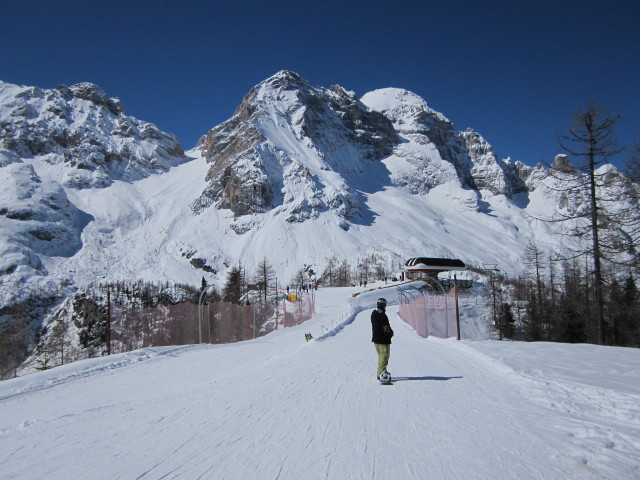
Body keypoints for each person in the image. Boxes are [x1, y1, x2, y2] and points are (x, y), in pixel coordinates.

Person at [371, 297, 393, 379]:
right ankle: (381, 373)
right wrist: (390, 333)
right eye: (385, 304)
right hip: (383, 339)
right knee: (384, 356)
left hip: (377, 339)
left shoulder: (374, 313)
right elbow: (386, 327)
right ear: (383, 305)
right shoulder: (381, 315)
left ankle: (383, 371)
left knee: (382, 356)